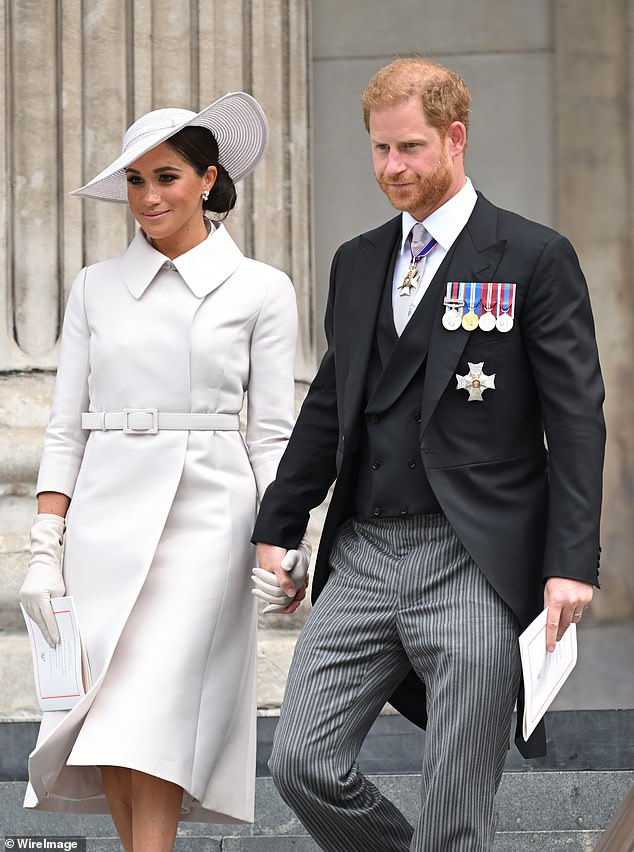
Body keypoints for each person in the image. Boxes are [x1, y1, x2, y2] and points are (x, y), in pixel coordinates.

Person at [252, 58, 605, 851]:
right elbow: (330, 407)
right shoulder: (356, 258)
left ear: (456, 137)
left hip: (474, 558)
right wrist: (280, 523)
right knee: (302, 762)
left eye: (409, 148)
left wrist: (572, 560)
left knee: (453, 810)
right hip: (366, 552)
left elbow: (577, 418)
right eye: (378, 150)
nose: (391, 169)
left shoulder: (532, 256)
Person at [19, 91, 309, 852]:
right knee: (109, 720)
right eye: (136, 181)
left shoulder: (262, 289)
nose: (148, 197)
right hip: (105, 526)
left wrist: (283, 541)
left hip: (208, 522)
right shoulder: (93, 286)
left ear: (209, 180)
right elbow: (63, 426)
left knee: (156, 715)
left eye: (167, 177)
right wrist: (46, 548)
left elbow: (274, 434)